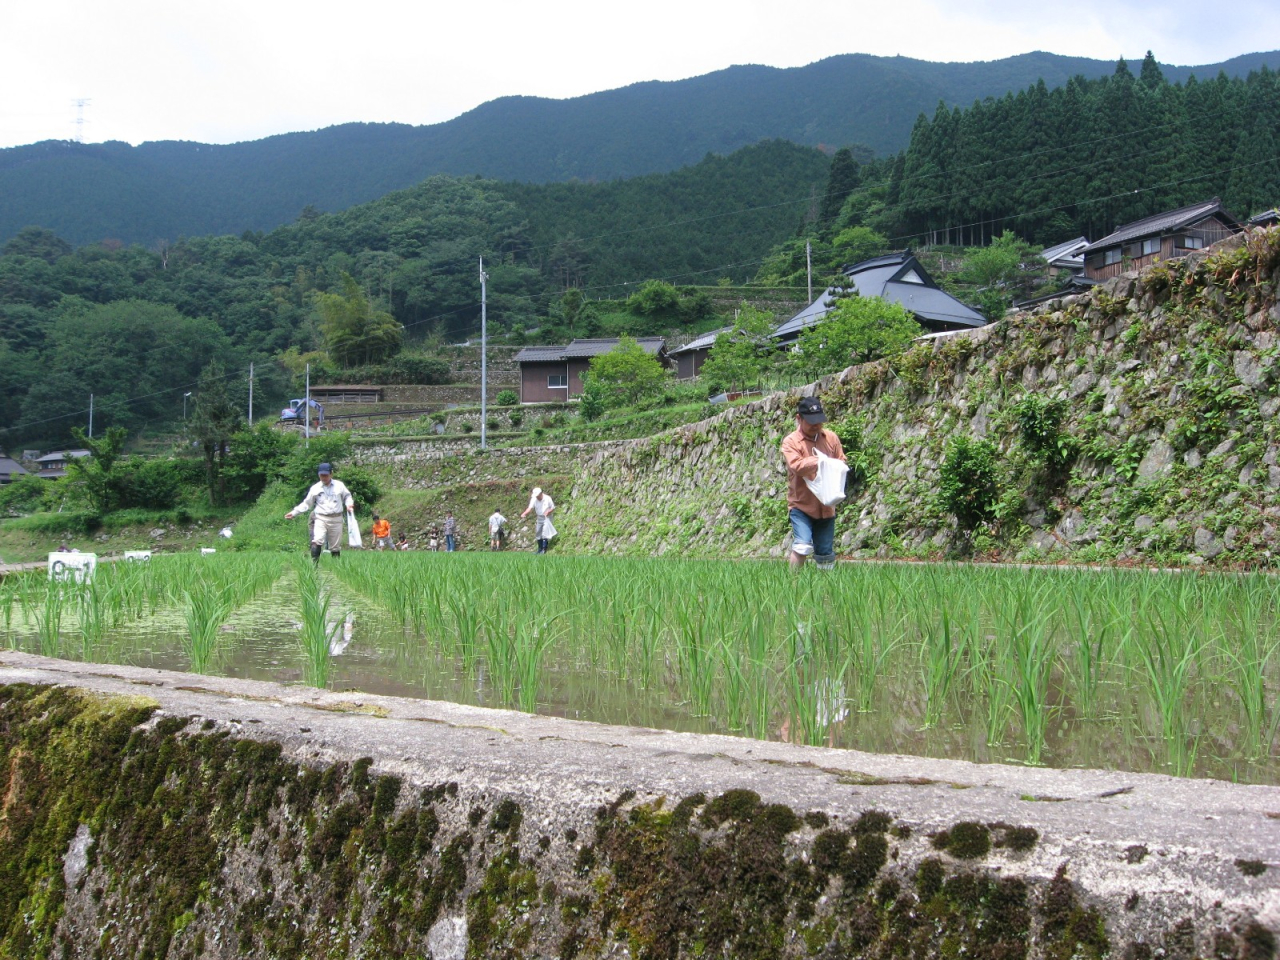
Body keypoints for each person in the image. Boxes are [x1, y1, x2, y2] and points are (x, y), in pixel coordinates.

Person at [781, 396, 846, 571]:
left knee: (825, 552)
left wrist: (837, 465)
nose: (816, 425)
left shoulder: (831, 438)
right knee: (802, 545)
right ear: (799, 419)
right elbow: (797, 466)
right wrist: (820, 460)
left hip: (827, 505)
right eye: (811, 422)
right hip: (802, 505)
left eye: (819, 421)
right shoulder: (791, 442)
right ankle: (792, 585)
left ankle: (825, 592)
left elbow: (842, 460)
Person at [284, 462, 355, 562]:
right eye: (321, 475)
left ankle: (336, 567)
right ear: (318, 475)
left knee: (335, 546)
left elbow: (347, 496)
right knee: (317, 540)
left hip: (336, 518)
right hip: (321, 518)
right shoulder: (315, 488)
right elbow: (307, 503)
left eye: (326, 475)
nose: (323, 478)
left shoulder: (339, 485)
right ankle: (314, 566)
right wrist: (294, 512)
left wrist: (349, 505)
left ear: (331, 474)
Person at [520, 487, 556, 554]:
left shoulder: (547, 498)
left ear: (541, 493)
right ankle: (539, 549)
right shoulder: (534, 499)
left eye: (537, 496)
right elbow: (530, 508)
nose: (537, 497)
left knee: (545, 532)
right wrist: (524, 513)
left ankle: (544, 549)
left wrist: (548, 512)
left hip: (547, 517)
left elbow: (553, 508)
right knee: (538, 532)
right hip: (539, 517)